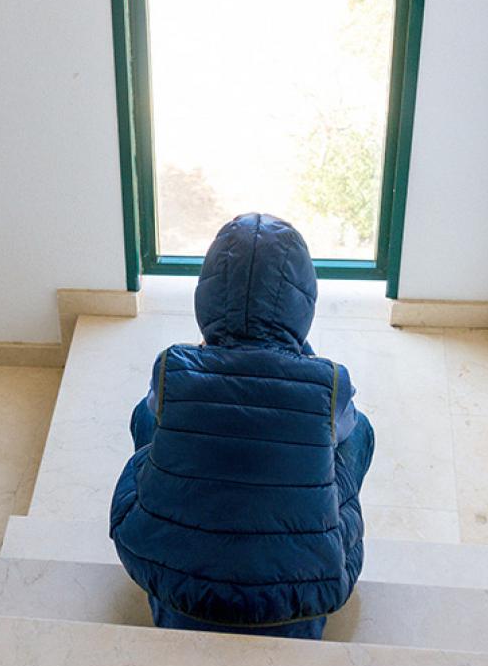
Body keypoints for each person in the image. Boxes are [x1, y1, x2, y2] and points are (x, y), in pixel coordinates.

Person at [110, 212, 375, 639]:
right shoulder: (328, 381)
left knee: (152, 415)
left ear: (207, 296)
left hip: (179, 591)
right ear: (304, 301)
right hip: (300, 600)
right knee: (356, 432)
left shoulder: (175, 366)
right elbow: (335, 428)